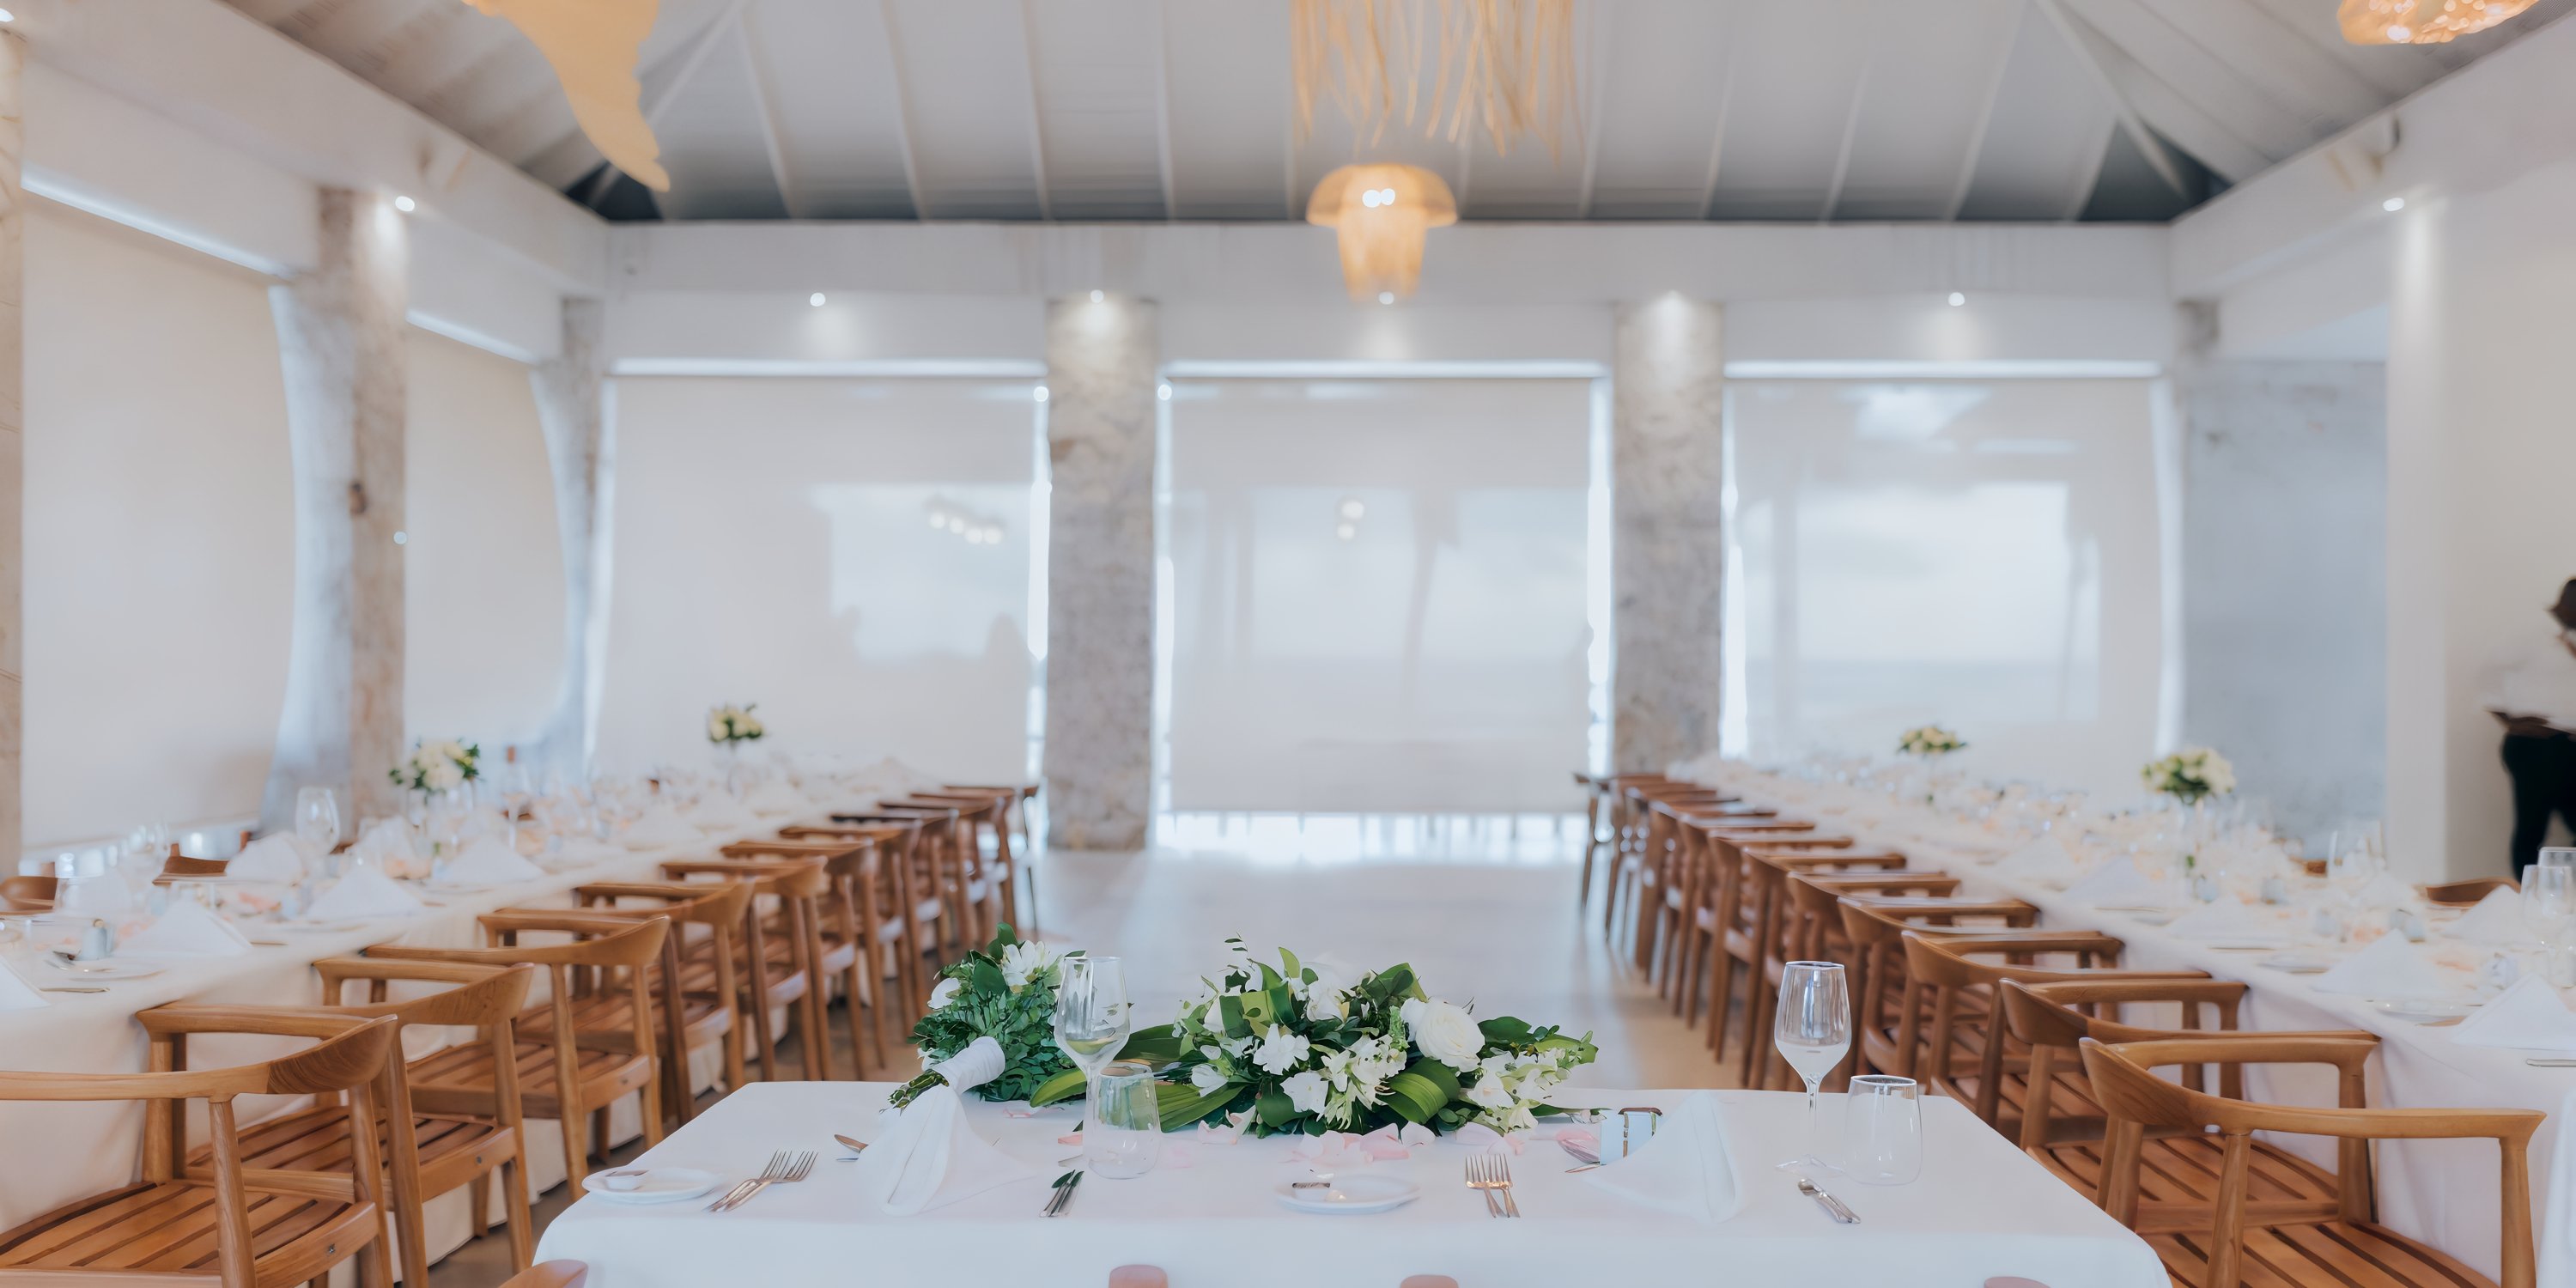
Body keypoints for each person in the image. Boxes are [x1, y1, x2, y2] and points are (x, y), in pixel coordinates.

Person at [2484, 578, 2576, 876]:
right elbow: (2487, 673)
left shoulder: (2571, 637)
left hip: (2568, 747)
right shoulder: (2530, 633)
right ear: (2567, 601)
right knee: (2531, 829)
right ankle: (2528, 905)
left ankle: (2560, 898)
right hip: (2537, 747)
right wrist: (2511, 721)